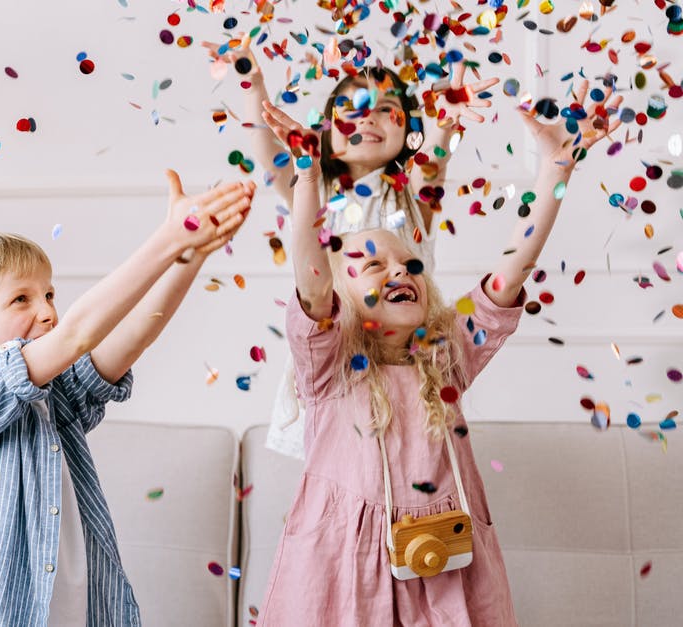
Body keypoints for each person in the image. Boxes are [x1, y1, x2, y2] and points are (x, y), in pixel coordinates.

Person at [257, 80, 621, 625]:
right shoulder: (329, 370)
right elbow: (311, 281)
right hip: (342, 581)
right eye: (375, 266)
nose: (400, 270)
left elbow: (511, 271)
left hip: (449, 575)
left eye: (409, 265)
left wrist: (555, 174)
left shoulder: (444, 356)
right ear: (343, 302)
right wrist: (309, 178)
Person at [0, 171, 254, 626]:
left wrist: (188, 255)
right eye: (21, 300)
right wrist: (169, 239)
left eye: (49, 294)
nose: (48, 310)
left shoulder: (49, 400)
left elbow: (131, 337)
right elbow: (75, 334)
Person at [204, 35, 497, 459]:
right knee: (335, 483)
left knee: (405, 472)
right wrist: (253, 77)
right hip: (334, 364)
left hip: (403, 366)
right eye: (352, 110)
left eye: (385, 110)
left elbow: (434, 161)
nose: (367, 119)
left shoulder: (411, 193)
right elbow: (266, 149)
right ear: (326, 135)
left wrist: (446, 124)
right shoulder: (315, 191)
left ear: (409, 131)